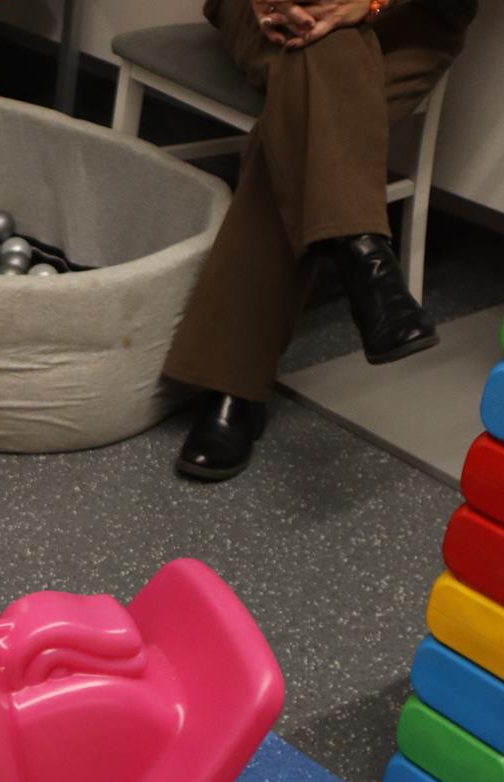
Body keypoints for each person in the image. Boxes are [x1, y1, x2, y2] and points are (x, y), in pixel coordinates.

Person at [166, 0, 479, 481]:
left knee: (305, 105)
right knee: (316, 45)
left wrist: (370, 3)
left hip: (408, 27)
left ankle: (235, 386)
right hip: (264, 12)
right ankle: (364, 256)